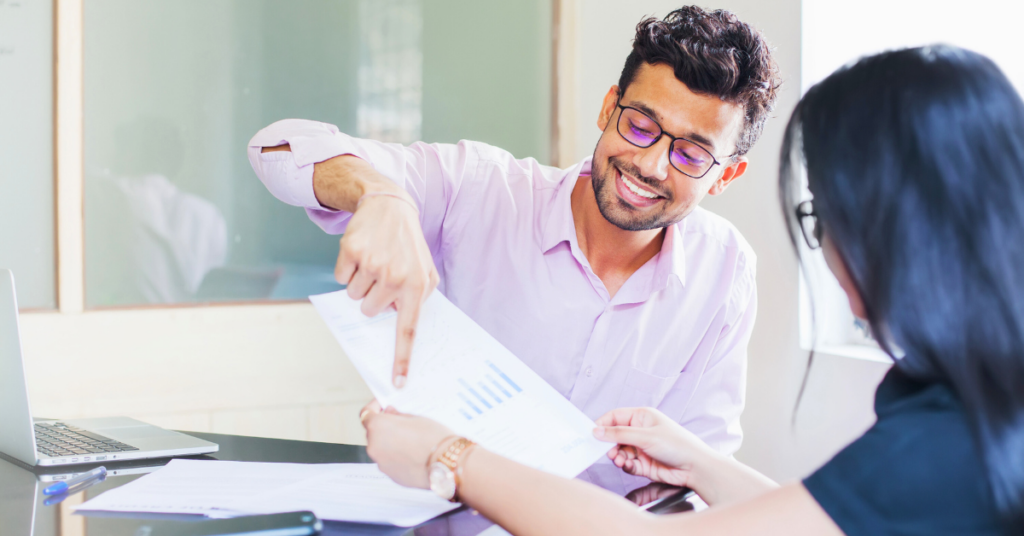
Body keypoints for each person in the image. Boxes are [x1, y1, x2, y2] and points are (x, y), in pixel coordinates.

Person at [360, 45, 1024, 535]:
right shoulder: (979, 400)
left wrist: (449, 457)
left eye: (824, 217)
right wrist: (698, 463)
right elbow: (824, 514)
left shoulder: (941, 439)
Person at [248, 7, 781, 454]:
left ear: (727, 175)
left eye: (690, 154)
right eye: (639, 125)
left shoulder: (726, 271)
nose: (650, 165)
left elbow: (702, 463)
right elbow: (278, 147)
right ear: (606, 107)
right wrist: (380, 195)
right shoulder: (480, 190)